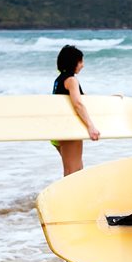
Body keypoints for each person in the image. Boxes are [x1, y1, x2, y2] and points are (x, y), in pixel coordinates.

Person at [52, 44, 100, 176]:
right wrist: (91, 126)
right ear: (73, 62)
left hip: (59, 128)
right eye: (80, 61)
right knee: (72, 172)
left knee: (77, 170)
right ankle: (65, 197)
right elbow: (78, 104)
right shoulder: (71, 80)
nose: (82, 65)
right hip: (68, 129)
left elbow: (83, 99)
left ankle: (77, 196)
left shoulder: (59, 79)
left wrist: (109, 99)